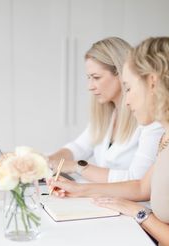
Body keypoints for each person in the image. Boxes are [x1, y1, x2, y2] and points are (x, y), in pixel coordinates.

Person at [6, 36, 169, 246]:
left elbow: (139, 193)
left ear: (152, 83)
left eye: (129, 88)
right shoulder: (167, 139)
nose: (125, 100)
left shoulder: (159, 134)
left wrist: (140, 213)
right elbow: (140, 187)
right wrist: (76, 187)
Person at [49, 37, 163, 185]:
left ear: (122, 74)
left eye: (96, 77)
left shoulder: (150, 120)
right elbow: (79, 147)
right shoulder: (108, 114)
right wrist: (48, 161)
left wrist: (77, 167)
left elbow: (138, 181)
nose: (90, 86)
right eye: (88, 78)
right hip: (104, 201)